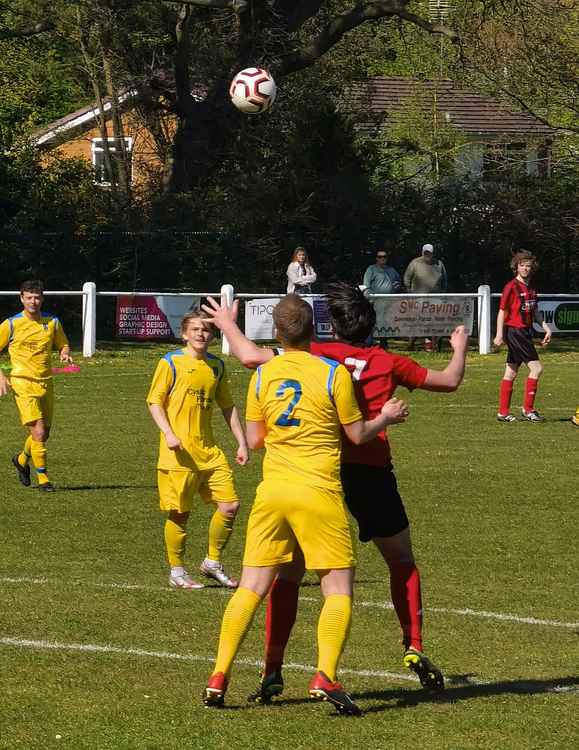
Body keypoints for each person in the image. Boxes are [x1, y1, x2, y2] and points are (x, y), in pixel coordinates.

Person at [201, 285, 469, 704]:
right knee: (400, 561)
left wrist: (229, 325)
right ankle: (411, 643)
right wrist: (459, 346)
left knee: (285, 576)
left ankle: (272, 668)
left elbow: (252, 358)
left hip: (304, 475)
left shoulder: (321, 353)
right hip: (364, 471)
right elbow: (450, 381)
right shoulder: (385, 361)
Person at [146, 309, 249, 590]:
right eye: (195, 329)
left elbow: (227, 406)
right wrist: (168, 433)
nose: (201, 334)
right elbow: (154, 402)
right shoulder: (171, 362)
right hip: (179, 454)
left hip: (210, 452)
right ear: (184, 334)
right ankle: (177, 571)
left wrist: (241, 441)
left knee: (230, 506)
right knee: (180, 514)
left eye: (205, 330)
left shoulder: (216, 366)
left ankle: (212, 562)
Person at [0, 279, 73, 491]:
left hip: (46, 383)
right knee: (39, 432)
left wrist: (64, 353)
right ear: (21, 298)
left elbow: (63, 343)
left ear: (43, 298)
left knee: (43, 434)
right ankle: (44, 480)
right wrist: (2, 376)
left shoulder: (52, 323)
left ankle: (21, 460)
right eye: (29, 297)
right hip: (22, 383)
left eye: (37, 297)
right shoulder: (11, 324)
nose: (34, 301)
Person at [493, 250, 551, 423]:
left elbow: (536, 311)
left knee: (510, 371)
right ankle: (528, 409)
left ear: (532, 268)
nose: (525, 268)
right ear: (516, 267)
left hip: (525, 332)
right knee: (537, 368)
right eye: (522, 265)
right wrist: (498, 334)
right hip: (516, 332)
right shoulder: (511, 287)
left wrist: (546, 328)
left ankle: (503, 413)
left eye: (528, 266)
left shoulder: (531, 288)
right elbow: (502, 311)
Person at [404, 243, 448, 351]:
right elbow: (406, 279)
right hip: (418, 300)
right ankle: (411, 344)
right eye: (426, 252)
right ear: (423, 252)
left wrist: (442, 294)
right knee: (417, 322)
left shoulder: (439, 264)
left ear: (433, 253)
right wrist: (411, 294)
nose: (427, 254)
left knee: (434, 322)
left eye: (429, 252)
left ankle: (431, 346)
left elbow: (445, 281)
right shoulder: (414, 263)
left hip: (435, 300)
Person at [362, 247, 402, 348]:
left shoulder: (391, 270)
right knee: (372, 320)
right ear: (376, 258)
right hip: (375, 301)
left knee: (386, 321)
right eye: (380, 257)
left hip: (388, 301)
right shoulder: (371, 269)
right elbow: (366, 284)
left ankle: (384, 342)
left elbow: (398, 281)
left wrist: (397, 286)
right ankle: (368, 342)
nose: (382, 258)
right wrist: (369, 297)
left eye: (384, 257)